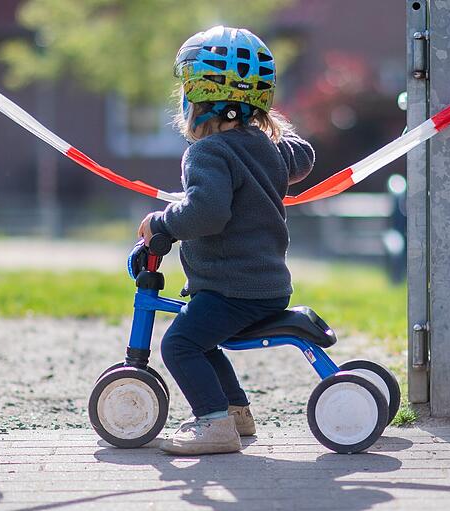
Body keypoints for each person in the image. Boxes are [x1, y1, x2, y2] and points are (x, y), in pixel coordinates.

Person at [136, 26, 314, 455]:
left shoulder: (208, 152)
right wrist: (267, 128)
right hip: (265, 287)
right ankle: (235, 411)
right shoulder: (267, 147)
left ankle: (214, 424)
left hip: (231, 289)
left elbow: (207, 213)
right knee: (201, 340)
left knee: (178, 344)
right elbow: (303, 155)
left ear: (194, 99)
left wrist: (162, 225)